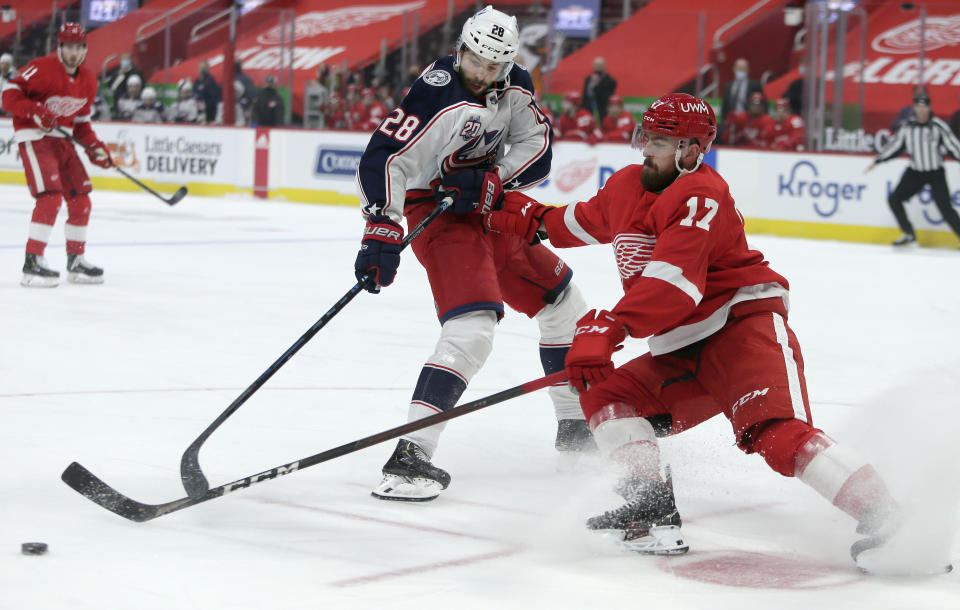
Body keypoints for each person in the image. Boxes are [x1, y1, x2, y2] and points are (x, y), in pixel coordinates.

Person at [482, 92, 950, 575]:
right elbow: (579, 221)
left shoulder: (700, 194)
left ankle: (893, 522)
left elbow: (674, 283)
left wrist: (612, 327)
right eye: (645, 137)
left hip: (740, 326)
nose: (646, 150)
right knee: (606, 397)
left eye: (660, 142)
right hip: (681, 346)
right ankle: (650, 509)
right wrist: (517, 215)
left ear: (691, 150)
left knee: (776, 436)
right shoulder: (627, 184)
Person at [355, 5, 591, 502]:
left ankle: (574, 427)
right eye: (475, 60)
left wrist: (493, 179)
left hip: (485, 207)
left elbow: (537, 144)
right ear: (461, 48)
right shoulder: (436, 93)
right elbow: (384, 157)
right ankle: (410, 457)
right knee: (473, 327)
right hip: (435, 211)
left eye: (493, 66)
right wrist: (381, 225)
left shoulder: (515, 86)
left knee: (565, 304)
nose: (482, 73)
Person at [1, 23, 112, 287]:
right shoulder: (42, 67)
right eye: (68, 47)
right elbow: (8, 95)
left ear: (84, 49)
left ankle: (75, 261)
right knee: (50, 198)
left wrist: (96, 149)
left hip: (63, 142)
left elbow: (82, 126)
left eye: (78, 47)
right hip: (35, 138)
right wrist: (35, 110)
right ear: (60, 48)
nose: (74, 53)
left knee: (81, 199)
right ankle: (32, 263)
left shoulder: (88, 80)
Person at [866, 91, 960, 247]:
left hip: (935, 171)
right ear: (914, 108)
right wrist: (878, 160)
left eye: (924, 107)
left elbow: (953, 147)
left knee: (945, 207)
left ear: (929, 108)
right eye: (918, 107)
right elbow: (896, 146)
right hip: (915, 172)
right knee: (894, 199)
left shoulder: (938, 126)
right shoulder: (908, 127)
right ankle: (908, 233)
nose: (921, 110)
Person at [720, 58, 763, 143]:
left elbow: (762, 104)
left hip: (748, 122)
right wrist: (725, 120)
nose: (741, 71)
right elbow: (725, 105)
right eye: (739, 68)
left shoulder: (754, 85)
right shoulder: (729, 86)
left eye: (743, 69)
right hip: (731, 121)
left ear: (748, 70)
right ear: (734, 69)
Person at [581, 56, 616, 122]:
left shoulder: (610, 81)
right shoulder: (588, 79)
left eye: (600, 65)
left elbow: (607, 97)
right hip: (588, 110)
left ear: (604, 66)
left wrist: (597, 86)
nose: (597, 67)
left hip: (602, 111)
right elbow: (585, 95)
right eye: (596, 65)